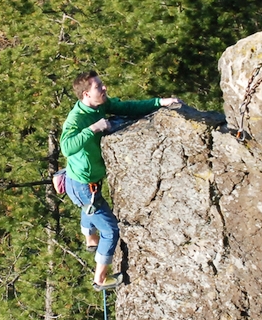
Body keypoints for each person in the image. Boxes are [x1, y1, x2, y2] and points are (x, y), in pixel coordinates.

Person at [60, 71, 181, 291]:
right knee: (111, 231)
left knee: (89, 209)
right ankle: (99, 280)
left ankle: (90, 238)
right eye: (99, 87)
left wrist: (160, 102)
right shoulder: (76, 119)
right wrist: (93, 129)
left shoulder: (100, 106)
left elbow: (129, 108)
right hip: (81, 186)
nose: (104, 88)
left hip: (87, 185)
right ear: (86, 94)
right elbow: (66, 147)